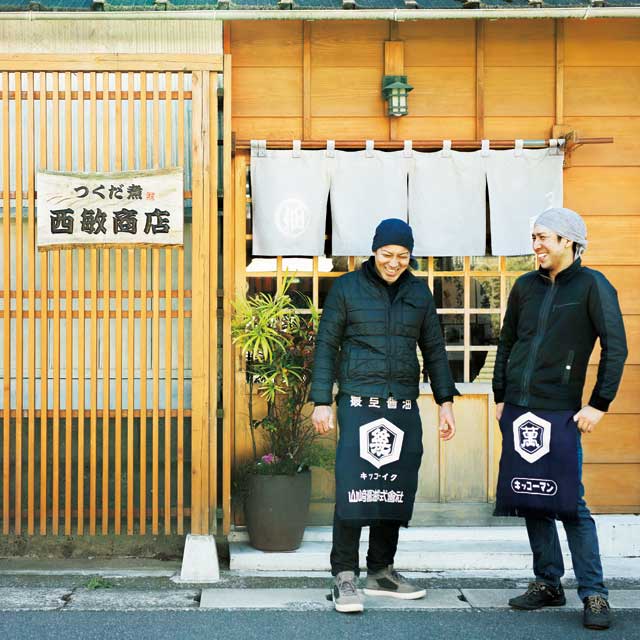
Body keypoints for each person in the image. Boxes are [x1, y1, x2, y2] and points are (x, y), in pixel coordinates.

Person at [310, 218, 458, 614]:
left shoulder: (418, 292)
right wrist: (321, 399)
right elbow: (327, 344)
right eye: (387, 255)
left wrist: (446, 401)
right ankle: (344, 573)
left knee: (392, 485)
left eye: (402, 257)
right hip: (359, 400)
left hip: (402, 402)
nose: (394, 263)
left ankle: (381, 570)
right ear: (373, 252)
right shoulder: (347, 288)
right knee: (356, 486)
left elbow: (435, 348)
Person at [492, 207, 628, 630]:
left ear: (568, 241)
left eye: (543, 238)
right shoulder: (524, 287)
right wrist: (501, 395)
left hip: (562, 411)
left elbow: (615, 347)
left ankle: (595, 594)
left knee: (571, 503)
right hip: (518, 407)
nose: (535, 246)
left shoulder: (593, 286)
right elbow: (508, 340)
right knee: (531, 496)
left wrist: (598, 404)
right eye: (534, 237)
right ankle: (548, 582)